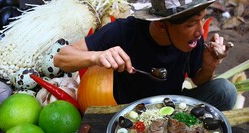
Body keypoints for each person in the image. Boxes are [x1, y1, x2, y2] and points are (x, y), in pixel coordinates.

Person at [53, 0, 237, 111]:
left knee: (225, 90)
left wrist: (209, 65)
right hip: (128, 114)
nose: (199, 31)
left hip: (172, 108)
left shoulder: (192, 40)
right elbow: (61, 58)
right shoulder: (123, 31)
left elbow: (199, 81)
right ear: (161, 24)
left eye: (202, 19)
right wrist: (97, 56)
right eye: (190, 24)